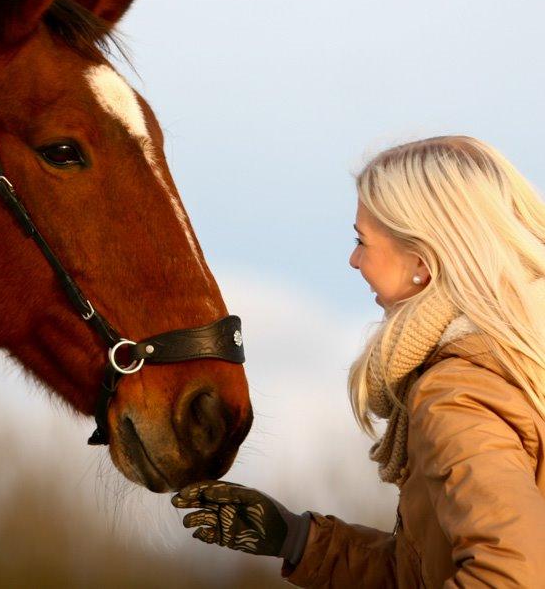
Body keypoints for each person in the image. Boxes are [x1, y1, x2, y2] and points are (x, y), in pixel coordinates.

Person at [172, 136, 545, 586]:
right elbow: (423, 573)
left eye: (361, 240)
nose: (353, 260)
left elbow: (512, 575)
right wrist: (296, 539)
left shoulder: (457, 393)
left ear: (422, 261)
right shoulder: (512, 365)